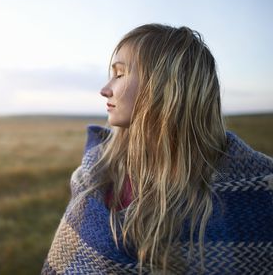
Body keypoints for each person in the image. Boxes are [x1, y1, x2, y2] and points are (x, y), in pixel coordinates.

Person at [41, 23, 273, 274]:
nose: (105, 89)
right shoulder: (97, 176)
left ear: (164, 87)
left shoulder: (257, 196)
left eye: (120, 74)